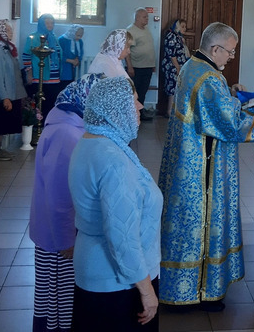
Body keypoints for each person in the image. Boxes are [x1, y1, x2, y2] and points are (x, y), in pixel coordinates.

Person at [158, 22, 254, 311]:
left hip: (186, 160)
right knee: (199, 222)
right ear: (215, 48)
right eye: (230, 52)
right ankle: (198, 292)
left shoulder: (192, 65)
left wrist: (232, 94)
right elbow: (229, 124)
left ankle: (182, 285)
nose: (231, 57)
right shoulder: (208, 78)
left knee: (184, 222)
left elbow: (213, 107)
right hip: (201, 169)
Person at [69, 77, 162, 331]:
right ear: (115, 108)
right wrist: (146, 290)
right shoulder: (114, 161)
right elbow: (122, 237)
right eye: (133, 101)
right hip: (118, 281)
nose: (141, 106)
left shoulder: (91, 141)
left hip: (97, 270)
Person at [30, 73, 104, 332]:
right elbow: (60, 198)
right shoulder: (66, 136)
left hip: (55, 233)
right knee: (59, 298)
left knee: (55, 294)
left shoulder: (70, 124)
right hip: (58, 239)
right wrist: (67, 241)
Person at [0, 20, 27, 161]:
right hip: (1, 95)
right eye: (8, 29)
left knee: (3, 123)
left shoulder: (6, 47)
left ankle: (0, 148)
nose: (11, 32)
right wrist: (4, 97)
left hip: (8, 93)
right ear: (1, 30)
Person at [23, 13, 62, 116]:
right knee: (40, 104)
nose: (50, 25)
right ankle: (38, 127)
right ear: (41, 24)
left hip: (54, 77)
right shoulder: (33, 37)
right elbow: (26, 55)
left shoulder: (54, 37)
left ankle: (48, 125)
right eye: (47, 23)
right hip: (40, 76)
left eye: (52, 23)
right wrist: (29, 73)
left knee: (52, 102)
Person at [126, 8, 156, 121]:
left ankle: (140, 113)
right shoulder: (130, 30)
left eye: (147, 17)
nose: (147, 19)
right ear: (137, 18)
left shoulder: (146, 29)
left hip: (147, 67)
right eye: (144, 17)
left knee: (143, 92)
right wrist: (129, 66)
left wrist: (152, 64)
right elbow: (127, 50)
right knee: (135, 92)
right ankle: (132, 116)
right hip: (136, 68)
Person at [160, 19, 190, 117]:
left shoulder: (179, 37)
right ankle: (169, 111)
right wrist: (177, 68)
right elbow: (171, 54)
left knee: (177, 88)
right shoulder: (171, 36)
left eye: (185, 27)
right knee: (172, 89)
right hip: (172, 67)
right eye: (182, 26)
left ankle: (175, 110)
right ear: (177, 26)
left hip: (179, 66)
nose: (184, 28)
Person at [58, 24, 84, 89]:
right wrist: (70, 61)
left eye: (81, 35)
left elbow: (80, 52)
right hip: (63, 67)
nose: (79, 37)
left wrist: (77, 59)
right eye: (78, 35)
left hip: (73, 68)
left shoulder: (79, 41)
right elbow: (58, 55)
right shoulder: (62, 40)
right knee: (62, 86)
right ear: (73, 32)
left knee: (70, 86)